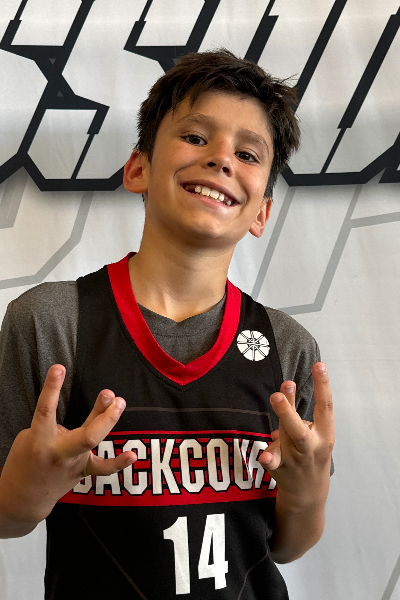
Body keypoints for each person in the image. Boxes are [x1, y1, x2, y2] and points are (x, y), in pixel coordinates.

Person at [0, 49, 334, 599]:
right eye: (196, 138)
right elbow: (7, 518)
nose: (222, 159)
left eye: (247, 154)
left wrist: (307, 494)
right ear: (138, 169)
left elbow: (287, 546)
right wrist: (29, 489)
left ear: (262, 212)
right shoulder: (51, 323)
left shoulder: (288, 347)